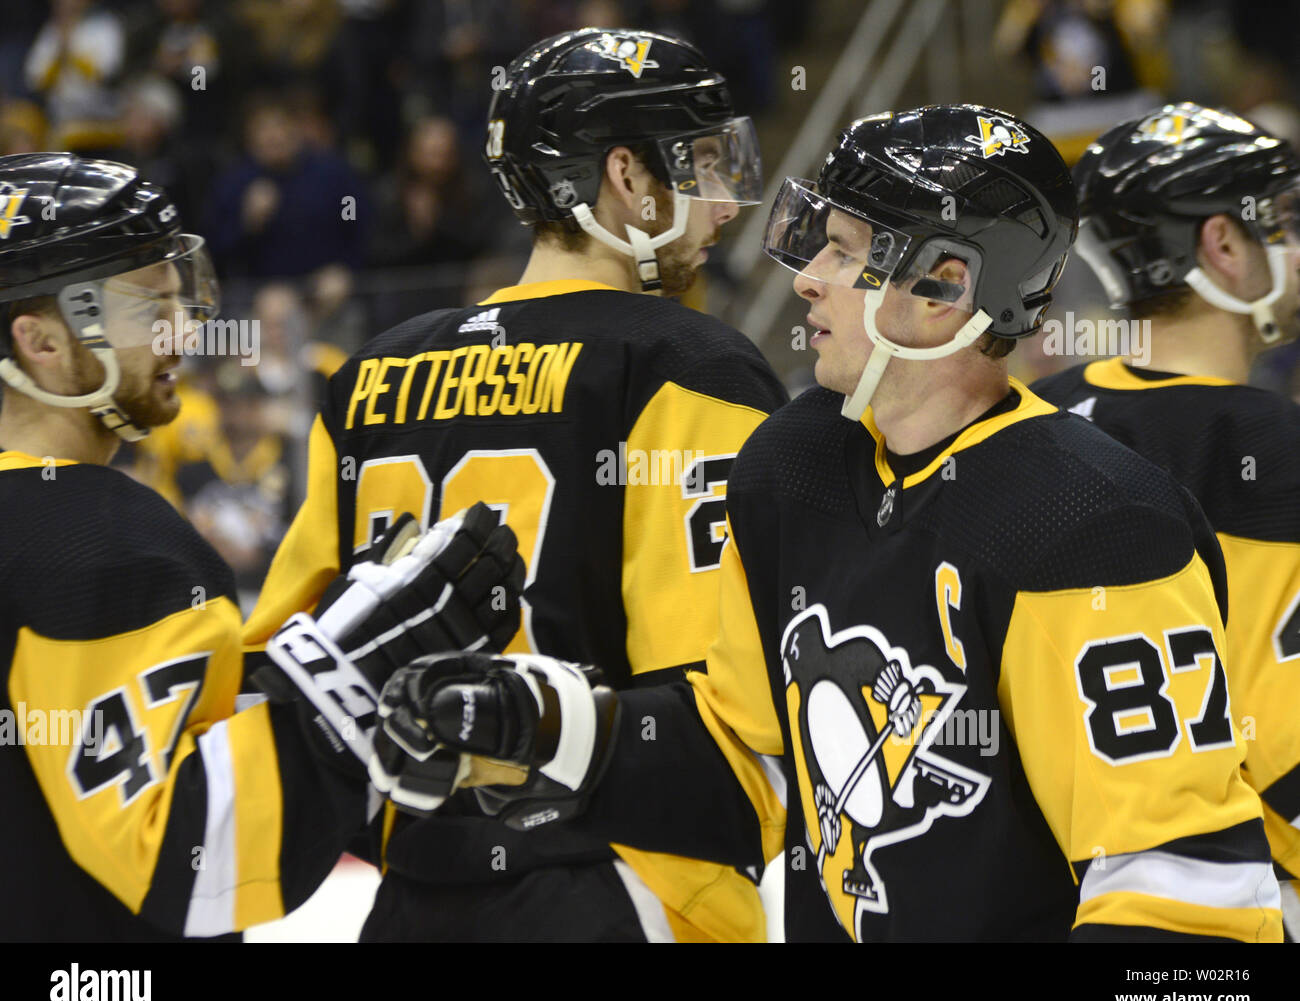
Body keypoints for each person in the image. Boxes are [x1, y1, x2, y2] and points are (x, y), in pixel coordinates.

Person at [370, 106, 1285, 942]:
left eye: (845, 253)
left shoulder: (1091, 520)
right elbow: (742, 770)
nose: (807, 278)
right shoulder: (792, 463)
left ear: (944, 285)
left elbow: (1191, 898)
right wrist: (540, 725)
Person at [244, 28, 788, 942]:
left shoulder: (371, 377)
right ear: (625, 173)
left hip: (413, 891)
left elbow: (288, 673)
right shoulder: (689, 365)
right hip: (625, 883)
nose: (725, 201)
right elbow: (731, 724)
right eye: (698, 161)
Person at [0, 153, 521, 940]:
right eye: (149, 306)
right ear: (39, 340)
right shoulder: (104, 540)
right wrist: (349, 681)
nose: (185, 329)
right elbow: (184, 861)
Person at [1031, 101, 1300, 934]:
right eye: (1284, 223)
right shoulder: (1267, 445)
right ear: (1222, 244)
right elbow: (1280, 735)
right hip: (1213, 894)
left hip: (1039, 879)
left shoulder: (1029, 413)